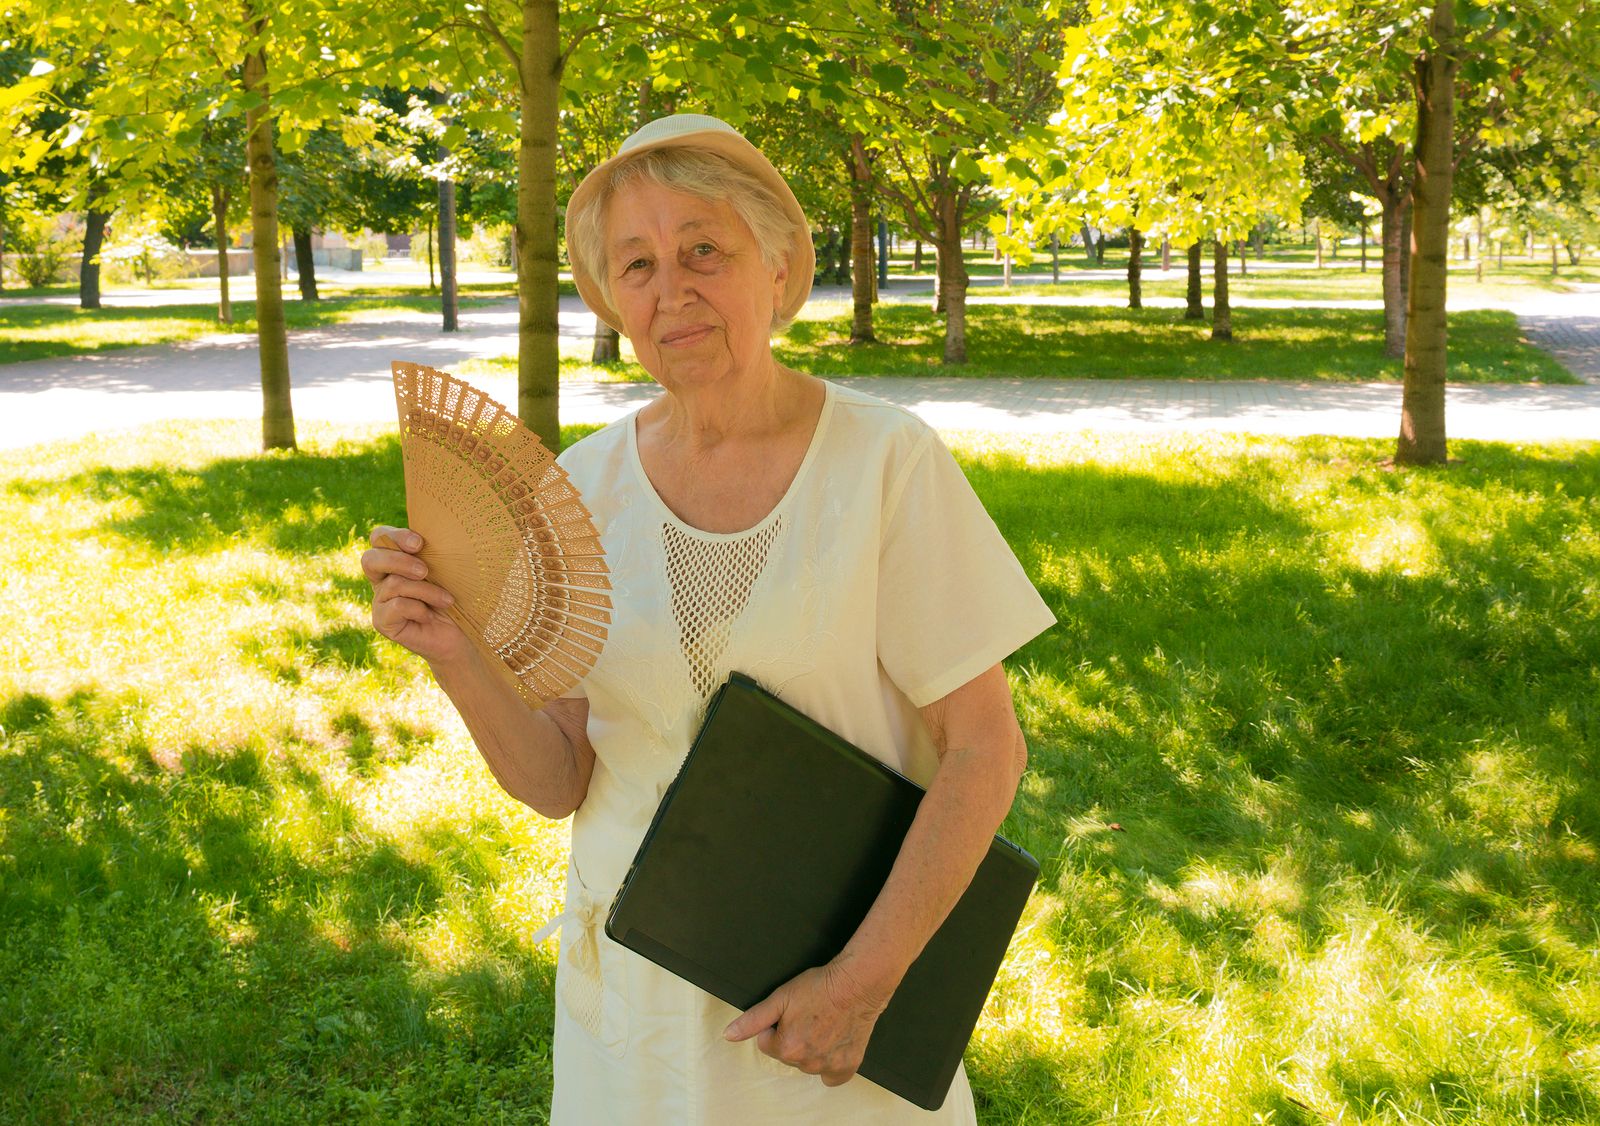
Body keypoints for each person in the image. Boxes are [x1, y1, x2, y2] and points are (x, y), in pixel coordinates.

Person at [362, 114, 1055, 1124]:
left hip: (824, 1006)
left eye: (702, 250)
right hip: (632, 1016)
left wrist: (858, 988)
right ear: (612, 300)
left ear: (775, 269)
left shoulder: (884, 463)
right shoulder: (581, 488)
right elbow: (560, 780)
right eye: (635, 264)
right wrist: (454, 653)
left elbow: (982, 749)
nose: (669, 288)